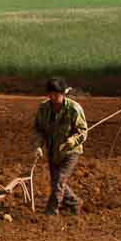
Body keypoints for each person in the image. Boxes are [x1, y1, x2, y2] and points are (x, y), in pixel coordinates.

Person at [34, 76, 88, 215]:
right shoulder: (43, 109)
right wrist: (38, 146)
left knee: (59, 180)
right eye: (50, 94)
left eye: (56, 94)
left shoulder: (74, 109)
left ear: (63, 93)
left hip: (71, 152)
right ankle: (74, 202)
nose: (53, 97)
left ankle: (51, 211)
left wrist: (73, 140)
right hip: (53, 151)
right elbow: (39, 129)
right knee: (56, 182)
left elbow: (83, 131)